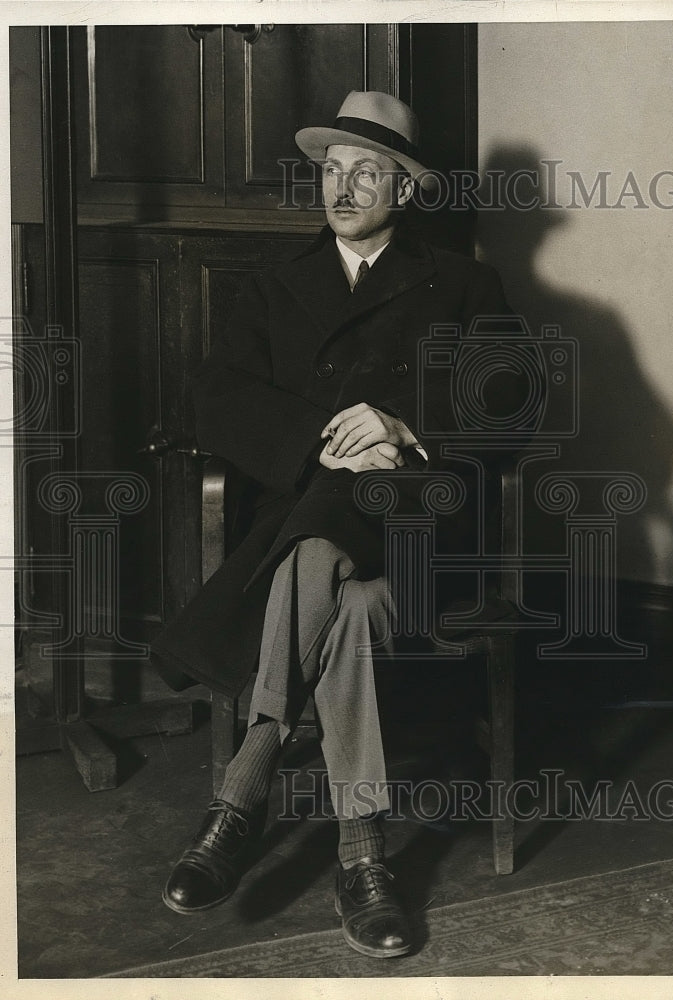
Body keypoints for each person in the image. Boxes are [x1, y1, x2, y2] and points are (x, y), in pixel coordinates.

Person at [151, 90, 520, 959]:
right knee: (335, 591)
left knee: (313, 546)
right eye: (330, 170)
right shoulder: (274, 288)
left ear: (409, 188)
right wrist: (328, 448)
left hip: (420, 530)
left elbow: (512, 400)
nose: (343, 187)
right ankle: (364, 857)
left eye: (367, 170)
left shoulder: (465, 284)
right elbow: (218, 397)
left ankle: (244, 787)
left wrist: (400, 426)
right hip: (311, 527)